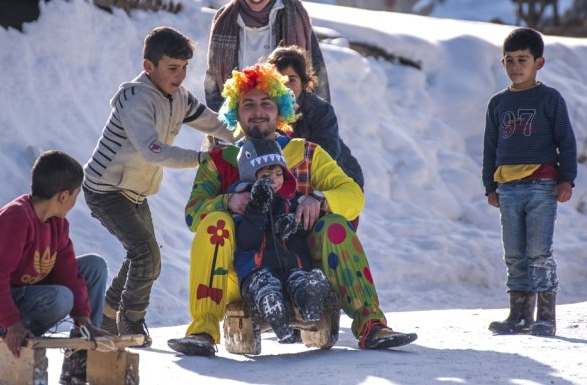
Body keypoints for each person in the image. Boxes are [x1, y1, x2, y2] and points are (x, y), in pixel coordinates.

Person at [167, 63, 417, 356]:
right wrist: (226, 202)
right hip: (240, 275)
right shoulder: (220, 160)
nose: (257, 111)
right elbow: (193, 213)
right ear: (236, 111)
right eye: (248, 104)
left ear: (280, 110)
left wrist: (320, 200)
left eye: (266, 103)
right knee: (216, 225)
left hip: (305, 269)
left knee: (335, 225)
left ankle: (371, 325)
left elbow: (353, 196)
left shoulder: (307, 152)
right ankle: (202, 330)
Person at [82, 26, 237, 347]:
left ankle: (107, 316)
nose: (180, 76)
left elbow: (212, 122)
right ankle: (131, 323)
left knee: (145, 257)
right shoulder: (135, 99)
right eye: (172, 68)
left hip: (135, 191)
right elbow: (152, 150)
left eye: (184, 68)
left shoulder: (178, 97)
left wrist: (247, 136)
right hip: (105, 189)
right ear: (148, 67)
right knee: (145, 256)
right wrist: (202, 158)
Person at [0, 150, 110, 384]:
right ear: (63, 196)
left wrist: (84, 321)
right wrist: (12, 324)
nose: (75, 202)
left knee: (95, 267)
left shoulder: (58, 224)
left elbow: (70, 274)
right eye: (76, 195)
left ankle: (79, 359)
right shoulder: (15, 218)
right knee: (62, 297)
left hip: (25, 296)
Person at [482, 27, 577, 337]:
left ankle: (546, 317)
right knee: (514, 253)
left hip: (541, 186)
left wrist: (567, 180)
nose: (515, 66)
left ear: (539, 63)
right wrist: (490, 186)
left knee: (538, 252)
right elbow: (490, 147)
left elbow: (566, 141)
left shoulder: (550, 99)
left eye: (522, 59)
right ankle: (519, 315)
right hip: (507, 189)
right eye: (509, 60)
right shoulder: (498, 103)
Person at [233, 137, 331, 343]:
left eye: (279, 173)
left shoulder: (291, 200)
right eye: (267, 174)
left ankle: (309, 299)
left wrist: (293, 225)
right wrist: (257, 210)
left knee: (299, 279)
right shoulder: (244, 202)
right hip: (257, 268)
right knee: (265, 286)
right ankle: (273, 309)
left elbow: (304, 231)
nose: (275, 179)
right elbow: (246, 241)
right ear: (253, 176)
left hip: (291, 263)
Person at [204, 0, 330, 114]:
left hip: (291, 125)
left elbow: (316, 75)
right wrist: (224, 128)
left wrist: (319, 123)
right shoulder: (224, 19)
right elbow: (213, 81)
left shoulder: (295, 17)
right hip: (237, 124)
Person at [267, 45, 364, 188]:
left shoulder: (320, 110)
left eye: (292, 80)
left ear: (303, 81)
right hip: (293, 180)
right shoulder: (266, 110)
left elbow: (328, 153)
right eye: (279, 80)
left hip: (340, 179)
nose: (285, 86)